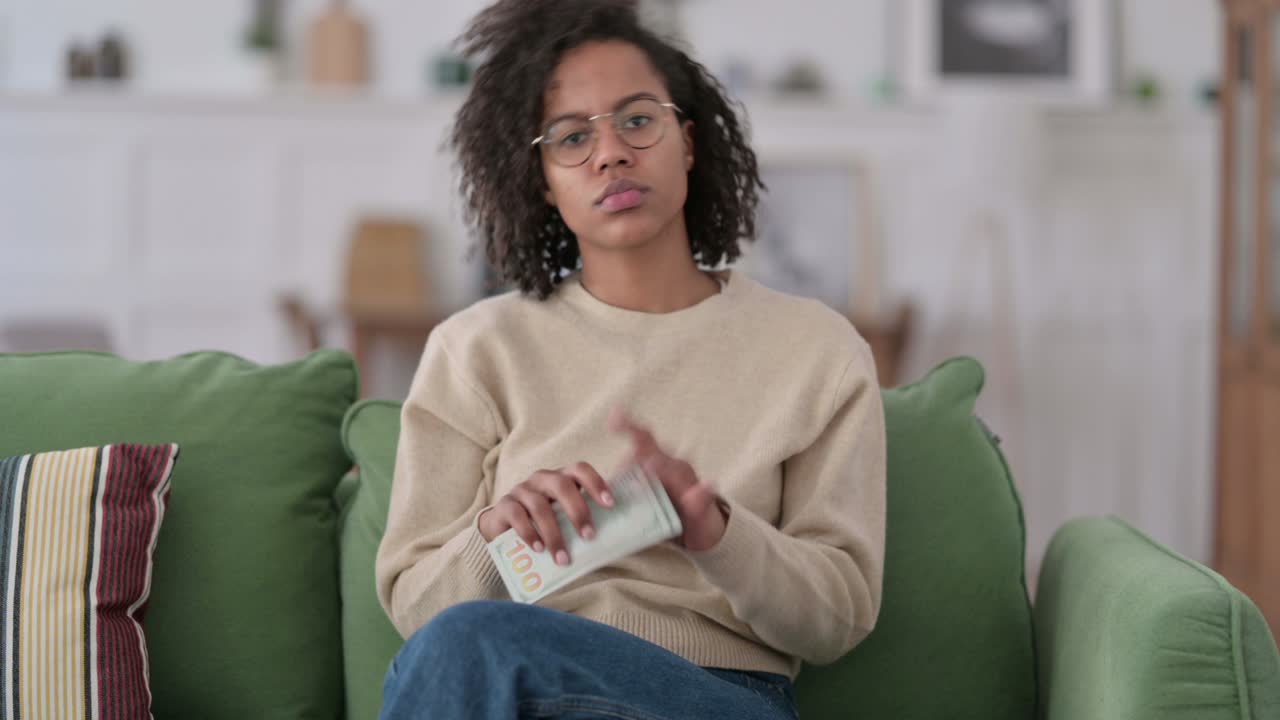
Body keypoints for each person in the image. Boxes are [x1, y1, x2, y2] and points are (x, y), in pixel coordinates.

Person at [375, 1, 886, 717]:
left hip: (717, 694)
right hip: (510, 678)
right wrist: (492, 536)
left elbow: (838, 616)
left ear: (689, 141)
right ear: (543, 182)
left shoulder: (817, 350)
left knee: (473, 647)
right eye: (571, 137)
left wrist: (716, 533)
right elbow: (416, 612)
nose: (610, 152)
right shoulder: (476, 350)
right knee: (466, 646)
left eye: (637, 120)